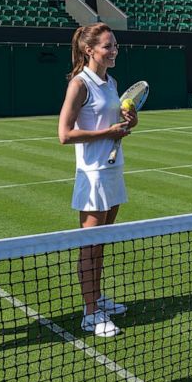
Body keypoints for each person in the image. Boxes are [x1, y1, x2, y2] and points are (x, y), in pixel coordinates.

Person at [57, 23, 137, 338]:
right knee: (89, 248)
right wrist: (108, 132)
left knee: (101, 244)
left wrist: (128, 122)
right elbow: (64, 135)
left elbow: (112, 123)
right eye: (108, 46)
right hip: (93, 175)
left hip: (113, 170)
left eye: (115, 45)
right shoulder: (80, 84)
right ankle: (90, 313)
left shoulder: (111, 81)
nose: (114, 50)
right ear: (89, 50)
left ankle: (97, 297)